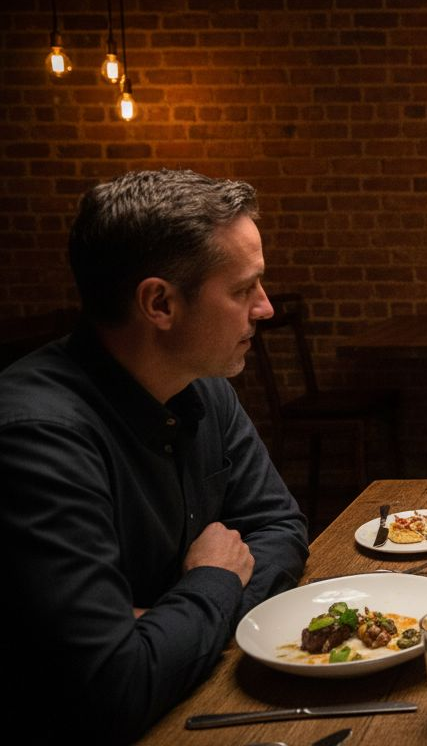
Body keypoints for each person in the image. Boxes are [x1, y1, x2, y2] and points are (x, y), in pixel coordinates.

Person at [0, 169, 309, 742]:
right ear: (159, 303)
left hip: (186, 701)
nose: (264, 308)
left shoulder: (203, 386)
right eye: (243, 289)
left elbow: (280, 526)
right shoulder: (36, 436)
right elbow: (114, 688)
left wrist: (163, 624)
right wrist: (214, 581)